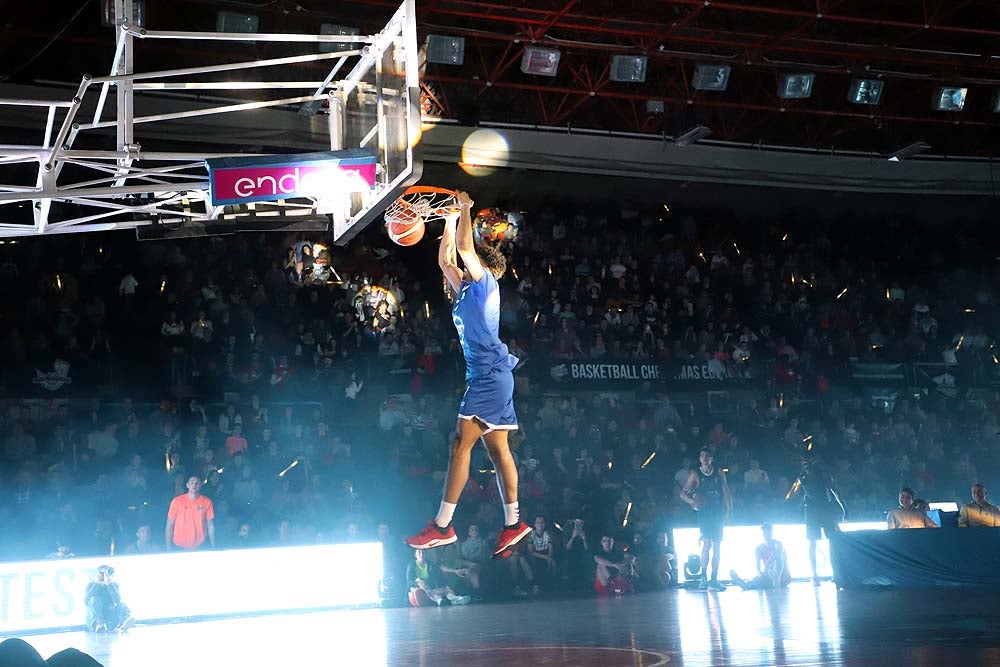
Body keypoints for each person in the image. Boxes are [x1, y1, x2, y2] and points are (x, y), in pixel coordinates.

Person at [406, 191, 530, 559]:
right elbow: (446, 260)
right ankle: (513, 524)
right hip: (492, 376)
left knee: (461, 445)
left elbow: (462, 248)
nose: (460, 267)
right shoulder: (465, 292)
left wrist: (464, 208)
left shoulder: (486, 283)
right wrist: (446, 219)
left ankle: (443, 526)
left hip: (489, 376)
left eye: (470, 262)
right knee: (498, 451)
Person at [680, 447, 732, 590]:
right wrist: (692, 502)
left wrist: (729, 510)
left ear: (711, 458)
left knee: (717, 546)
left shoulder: (719, 472)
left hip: (718, 512)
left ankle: (713, 579)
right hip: (705, 513)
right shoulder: (695, 474)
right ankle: (703, 578)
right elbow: (682, 494)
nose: (705, 457)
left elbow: (726, 491)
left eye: (707, 455)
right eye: (702, 455)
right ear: (699, 459)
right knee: (707, 544)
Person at [795, 457, 845, 584]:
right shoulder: (802, 476)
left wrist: (843, 508)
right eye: (803, 463)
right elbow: (798, 492)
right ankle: (815, 574)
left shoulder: (823, 474)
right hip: (812, 512)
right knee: (814, 543)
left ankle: (836, 572)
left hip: (824, 510)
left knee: (832, 540)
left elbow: (835, 490)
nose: (805, 465)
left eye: (807, 463)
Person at [730, 523, 791, 590]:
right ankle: (745, 585)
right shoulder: (759, 548)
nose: (767, 535)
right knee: (756, 580)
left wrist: (767, 565)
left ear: (772, 532)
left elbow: (777, 553)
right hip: (769, 576)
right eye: (765, 533)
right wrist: (760, 574)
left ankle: (777, 578)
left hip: (783, 576)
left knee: (779, 557)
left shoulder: (778, 544)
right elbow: (758, 568)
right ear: (762, 534)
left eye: (769, 532)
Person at [405, 549, 471, 607]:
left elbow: (439, 575)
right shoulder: (412, 565)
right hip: (417, 592)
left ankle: (455, 599)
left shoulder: (431, 564)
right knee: (421, 590)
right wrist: (418, 583)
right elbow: (409, 581)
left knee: (446, 589)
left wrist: (445, 586)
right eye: (419, 552)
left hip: (430, 589)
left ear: (426, 554)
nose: (421, 554)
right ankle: (438, 599)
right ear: (415, 555)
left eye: (423, 552)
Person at [165, 476, 215, 550]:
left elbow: (210, 525)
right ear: (187, 485)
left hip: (200, 545)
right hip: (179, 546)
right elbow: (170, 524)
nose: (194, 485)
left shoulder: (207, 502)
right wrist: (168, 547)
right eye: (192, 483)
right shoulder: (177, 501)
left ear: (201, 486)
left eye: (197, 483)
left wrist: (213, 546)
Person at [84, 565, 134, 632]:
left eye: (106, 574)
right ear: (97, 574)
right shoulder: (91, 585)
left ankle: (124, 622)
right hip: (94, 620)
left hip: (109, 618)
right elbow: (86, 601)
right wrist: (97, 584)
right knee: (94, 599)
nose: (104, 576)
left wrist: (109, 585)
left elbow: (117, 600)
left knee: (122, 604)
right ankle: (99, 624)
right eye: (102, 573)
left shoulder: (113, 585)